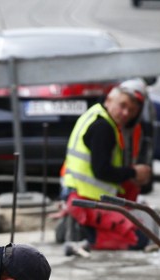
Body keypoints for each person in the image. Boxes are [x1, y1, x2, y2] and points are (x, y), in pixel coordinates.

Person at [61, 78, 153, 254]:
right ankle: (87, 238)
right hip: (84, 200)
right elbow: (101, 170)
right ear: (109, 100)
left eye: (132, 111)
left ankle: (80, 229)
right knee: (138, 239)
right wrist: (134, 172)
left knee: (135, 217)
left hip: (79, 195)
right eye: (123, 105)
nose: (126, 113)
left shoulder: (97, 115)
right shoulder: (103, 127)